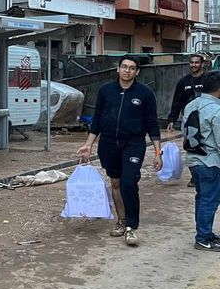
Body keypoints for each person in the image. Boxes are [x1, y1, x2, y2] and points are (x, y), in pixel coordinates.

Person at [77, 55, 162, 246]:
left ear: (137, 72)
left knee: (129, 182)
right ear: (118, 69)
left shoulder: (145, 93)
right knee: (115, 182)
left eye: (132, 68)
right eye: (124, 67)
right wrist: (89, 144)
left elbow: (152, 124)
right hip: (108, 144)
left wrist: (158, 153)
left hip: (133, 144)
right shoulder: (106, 91)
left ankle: (132, 227)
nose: (127, 70)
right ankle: (121, 221)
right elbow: (97, 119)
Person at [182, 71, 220, 251]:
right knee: (210, 200)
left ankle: (205, 233)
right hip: (210, 161)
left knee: (202, 198)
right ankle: (203, 238)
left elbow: (184, 131)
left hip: (194, 160)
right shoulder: (216, 109)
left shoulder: (191, 105)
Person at [168, 54, 207, 187]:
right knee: (191, 147)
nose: (194, 65)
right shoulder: (184, 81)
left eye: (197, 63)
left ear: (202, 64)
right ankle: (195, 177)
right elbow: (177, 101)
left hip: (207, 119)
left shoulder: (209, 79)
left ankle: (208, 174)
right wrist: (172, 119)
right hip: (189, 121)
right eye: (191, 62)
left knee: (208, 146)